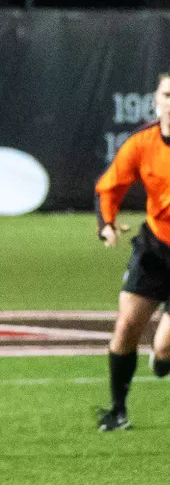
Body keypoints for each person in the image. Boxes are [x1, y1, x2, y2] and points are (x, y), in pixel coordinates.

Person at [94, 71, 170, 432]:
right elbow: (108, 187)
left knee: (165, 349)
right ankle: (118, 411)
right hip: (155, 248)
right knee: (125, 326)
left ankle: (164, 356)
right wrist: (106, 223)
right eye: (167, 95)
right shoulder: (141, 143)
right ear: (156, 100)